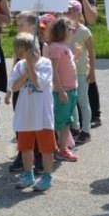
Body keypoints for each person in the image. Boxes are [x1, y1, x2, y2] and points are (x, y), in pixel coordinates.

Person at [11, 32, 56, 192]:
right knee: (25, 146)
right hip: (26, 114)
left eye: (20, 50)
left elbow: (38, 84)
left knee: (46, 148)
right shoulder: (19, 66)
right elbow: (14, 86)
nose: (18, 54)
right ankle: (28, 174)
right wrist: (26, 70)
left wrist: (31, 66)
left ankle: (47, 176)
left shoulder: (45, 64)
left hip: (42, 114)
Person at [45, 16, 79, 162]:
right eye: (71, 29)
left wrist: (76, 56)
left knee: (67, 120)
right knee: (60, 121)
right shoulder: (56, 48)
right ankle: (56, 149)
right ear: (63, 31)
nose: (73, 32)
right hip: (63, 91)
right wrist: (60, 91)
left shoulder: (65, 47)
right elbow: (53, 71)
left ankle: (63, 148)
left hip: (71, 89)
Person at [66, 0, 95, 144]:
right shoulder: (64, 30)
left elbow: (91, 52)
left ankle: (86, 130)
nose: (68, 14)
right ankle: (75, 127)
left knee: (82, 100)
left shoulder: (84, 31)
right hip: (67, 71)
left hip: (82, 71)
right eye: (66, 11)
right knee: (71, 102)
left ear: (78, 13)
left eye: (71, 11)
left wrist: (92, 71)